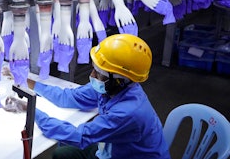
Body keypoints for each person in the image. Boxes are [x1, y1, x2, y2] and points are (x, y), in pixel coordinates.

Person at [27, 33, 171, 159]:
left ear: (119, 80)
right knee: (62, 151)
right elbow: (70, 97)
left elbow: (79, 136)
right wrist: (32, 85)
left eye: (99, 73)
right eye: (94, 69)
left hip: (124, 155)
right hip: (111, 149)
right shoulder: (112, 87)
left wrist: (31, 111)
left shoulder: (128, 112)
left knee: (66, 143)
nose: (92, 76)